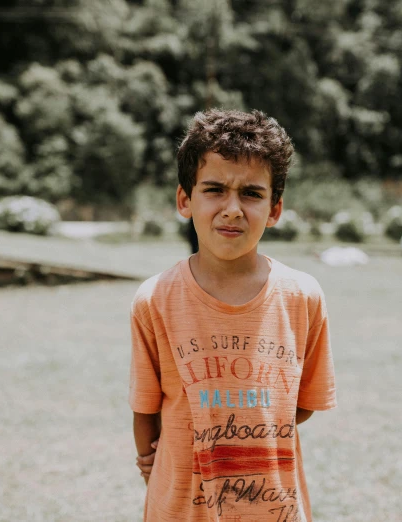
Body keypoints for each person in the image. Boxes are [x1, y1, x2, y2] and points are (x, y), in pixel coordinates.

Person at [130, 109, 337, 522]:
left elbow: (302, 404)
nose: (232, 208)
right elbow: (145, 409)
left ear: (275, 210)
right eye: (215, 189)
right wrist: (150, 460)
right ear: (184, 200)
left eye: (252, 194)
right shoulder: (154, 298)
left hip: (273, 509)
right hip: (180, 509)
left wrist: (246, 427)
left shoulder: (302, 296)